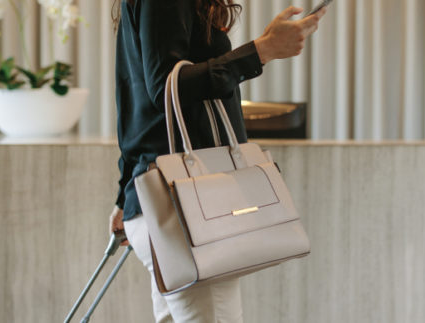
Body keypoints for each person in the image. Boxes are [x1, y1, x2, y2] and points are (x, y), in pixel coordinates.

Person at [108, 0, 327, 321]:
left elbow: (134, 101)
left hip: (172, 206)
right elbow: (165, 88)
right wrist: (261, 51)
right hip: (184, 210)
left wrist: (125, 194)